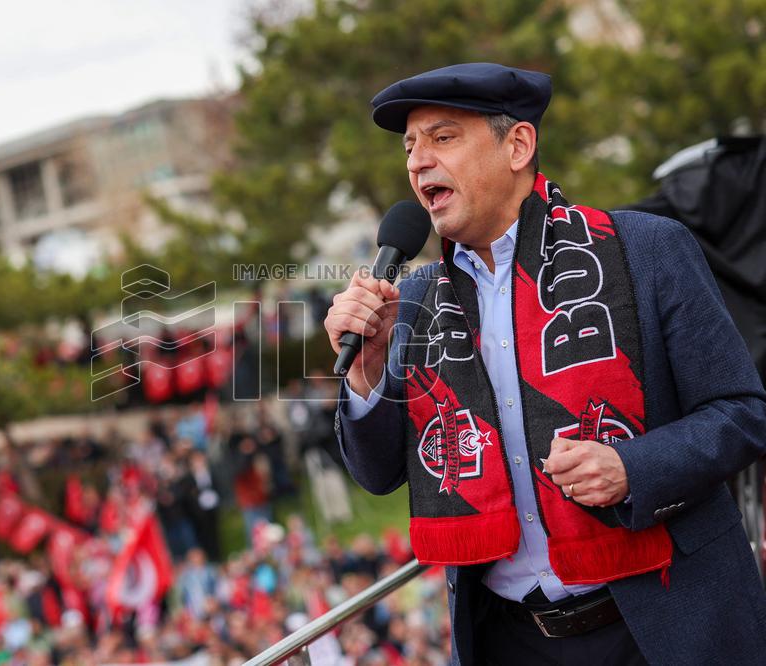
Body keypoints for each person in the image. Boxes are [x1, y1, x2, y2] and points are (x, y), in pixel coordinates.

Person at [325, 62, 766, 665]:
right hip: (510, 639)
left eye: (443, 137)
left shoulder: (647, 249)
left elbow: (742, 413)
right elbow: (377, 475)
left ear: (518, 145)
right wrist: (365, 370)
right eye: (410, 145)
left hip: (664, 624)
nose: (417, 161)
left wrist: (632, 468)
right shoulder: (417, 298)